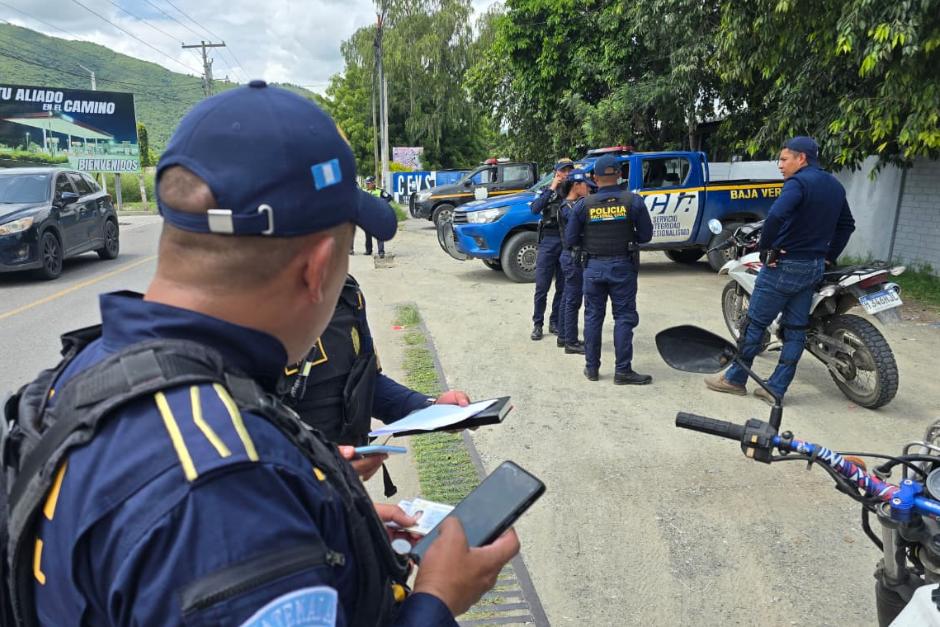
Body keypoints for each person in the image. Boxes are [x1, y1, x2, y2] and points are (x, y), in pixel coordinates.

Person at [7, 82, 518, 626]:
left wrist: (326, 515)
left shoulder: (81, 378)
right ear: (318, 267)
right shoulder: (225, 493)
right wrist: (437, 599)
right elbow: (210, 528)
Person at [705, 136, 855, 404]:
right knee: (795, 328)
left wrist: (767, 250)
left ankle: (734, 379)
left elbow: (775, 217)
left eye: (784, 159)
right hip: (813, 267)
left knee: (754, 324)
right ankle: (775, 387)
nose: (780, 165)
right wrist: (829, 256)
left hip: (784, 266)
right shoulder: (834, 184)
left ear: (802, 159)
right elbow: (847, 225)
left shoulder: (797, 183)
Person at [283, 272, 470, 483]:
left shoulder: (347, 294)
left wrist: (431, 408)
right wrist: (322, 465)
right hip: (288, 495)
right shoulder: (248, 315)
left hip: (346, 486)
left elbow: (368, 385)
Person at [565, 154, 654, 385]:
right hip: (623, 266)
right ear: (620, 175)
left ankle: (592, 368)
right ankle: (622, 370)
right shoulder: (633, 201)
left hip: (593, 267)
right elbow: (646, 236)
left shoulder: (583, 205)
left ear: (594, 177)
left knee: (593, 317)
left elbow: (570, 239)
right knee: (623, 317)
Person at [529, 159, 573, 342]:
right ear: (556, 172)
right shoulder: (547, 190)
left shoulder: (573, 189)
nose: (567, 173)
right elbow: (535, 208)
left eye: (569, 170)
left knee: (562, 287)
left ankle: (555, 321)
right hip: (548, 240)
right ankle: (537, 324)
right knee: (542, 286)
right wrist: (552, 188)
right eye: (564, 170)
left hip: (565, 241)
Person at [555, 169, 596, 354]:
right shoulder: (569, 208)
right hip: (573, 257)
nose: (588, 188)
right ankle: (570, 341)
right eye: (585, 184)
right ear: (576, 185)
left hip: (570, 256)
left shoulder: (570, 205)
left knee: (567, 298)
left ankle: (564, 336)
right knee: (572, 300)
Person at [357, 175, 392, 258]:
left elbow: (389, 197)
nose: (367, 185)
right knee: (367, 234)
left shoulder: (379, 191)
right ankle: (368, 250)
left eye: (368, 183)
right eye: (366, 183)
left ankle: (381, 251)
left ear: (373, 183)